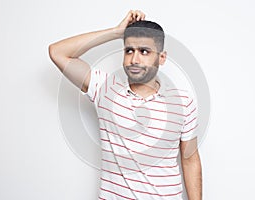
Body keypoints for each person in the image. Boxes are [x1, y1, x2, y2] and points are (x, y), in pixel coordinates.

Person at [49, 10, 202, 200]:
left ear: (161, 57)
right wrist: (115, 32)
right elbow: (57, 52)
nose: (134, 59)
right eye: (129, 50)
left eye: (144, 51)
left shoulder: (183, 102)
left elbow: (190, 159)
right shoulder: (105, 89)